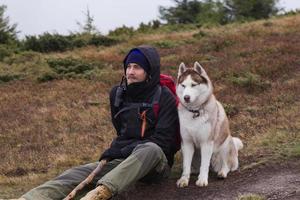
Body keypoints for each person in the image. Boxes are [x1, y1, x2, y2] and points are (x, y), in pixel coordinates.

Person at [16, 45, 179, 200]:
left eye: (137, 67)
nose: (130, 72)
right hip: (123, 161)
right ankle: (31, 197)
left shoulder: (164, 97)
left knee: (151, 148)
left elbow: (164, 143)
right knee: (76, 173)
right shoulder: (118, 94)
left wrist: (123, 151)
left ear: (149, 70)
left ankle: (101, 192)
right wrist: (116, 152)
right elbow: (121, 131)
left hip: (154, 165)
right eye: (128, 67)